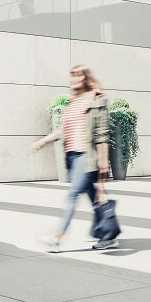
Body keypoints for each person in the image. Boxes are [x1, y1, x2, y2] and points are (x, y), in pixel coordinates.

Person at [30, 65, 115, 251]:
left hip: (87, 157)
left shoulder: (96, 100)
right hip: (73, 157)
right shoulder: (73, 102)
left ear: (85, 78)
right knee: (94, 198)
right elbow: (63, 130)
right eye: (71, 76)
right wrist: (42, 141)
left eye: (77, 76)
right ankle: (109, 235)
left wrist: (103, 168)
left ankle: (57, 237)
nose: (73, 80)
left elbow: (102, 136)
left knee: (73, 195)